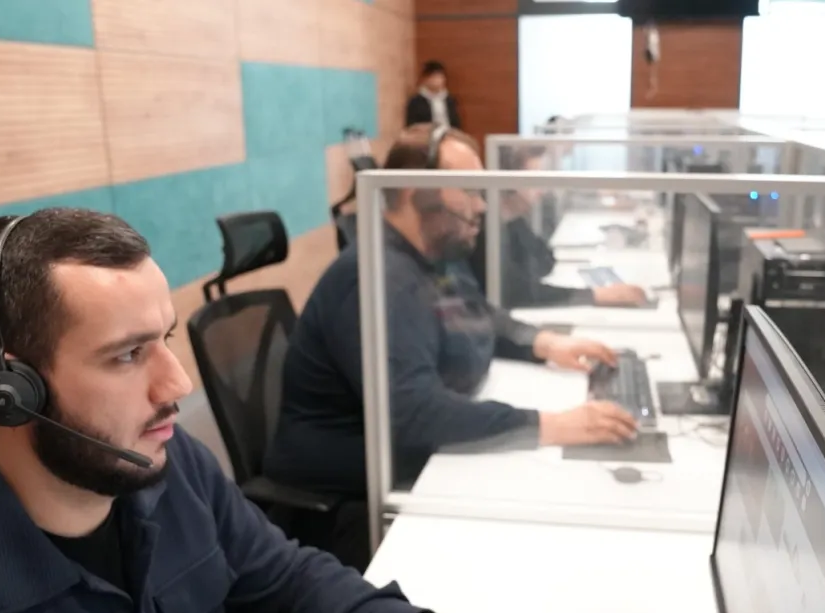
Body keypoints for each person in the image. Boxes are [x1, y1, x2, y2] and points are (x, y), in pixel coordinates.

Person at [0, 208, 576, 613]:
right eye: (127, 355)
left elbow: (286, 576)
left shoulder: (164, 469)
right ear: (7, 390)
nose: (177, 385)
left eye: (165, 338)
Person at [268, 125, 640, 563]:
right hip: (356, 498)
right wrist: (549, 425)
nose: (481, 205)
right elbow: (416, 412)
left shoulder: (432, 253)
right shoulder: (379, 279)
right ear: (415, 191)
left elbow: (478, 313)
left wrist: (542, 343)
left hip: (415, 459)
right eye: (467, 190)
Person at [470, 146, 649, 309]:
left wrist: (516, 221)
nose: (542, 190)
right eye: (533, 180)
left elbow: (546, 261)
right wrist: (594, 295)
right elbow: (516, 293)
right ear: (508, 183)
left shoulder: (510, 220)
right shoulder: (484, 230)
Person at [406, 60, 462, 130]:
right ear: (425, 79)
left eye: (440, 77)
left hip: (449, 134)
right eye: (434, 77)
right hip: (425, 134)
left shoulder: (450, 100)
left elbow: (456, 124)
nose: (437, 80)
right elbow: (411, 126)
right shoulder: (416, 101)